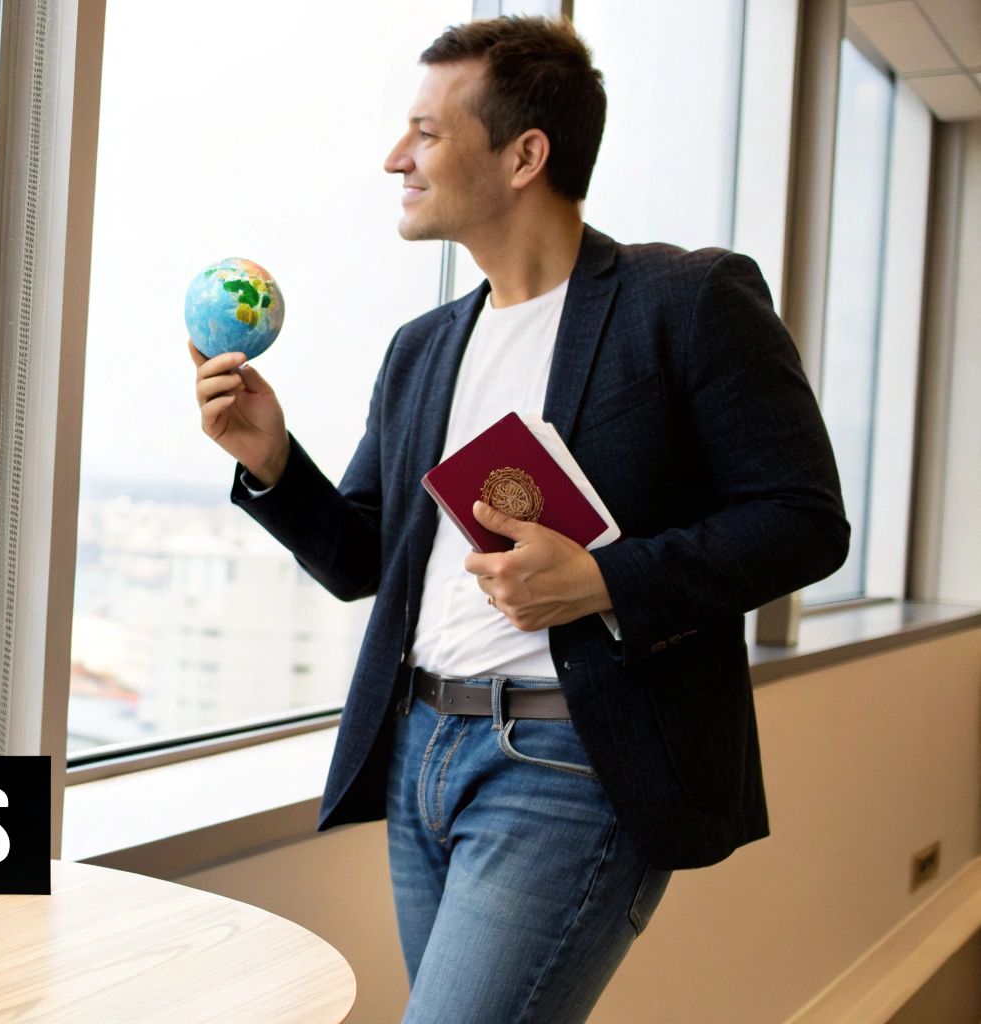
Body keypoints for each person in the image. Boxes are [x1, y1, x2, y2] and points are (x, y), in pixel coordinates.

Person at [188, 15, 848, 1022]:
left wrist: (602, 579)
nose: (393, 158)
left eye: (424, 132)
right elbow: (365, 557)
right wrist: (271, 460)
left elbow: (803, 520)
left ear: (522, 155)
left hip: (570, 761)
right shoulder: (421, 347)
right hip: (420, 756)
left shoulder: (685, 301)